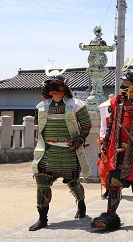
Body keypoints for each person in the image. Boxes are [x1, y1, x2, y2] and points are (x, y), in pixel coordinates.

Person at [91, 69, 133, 230]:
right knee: (114, 183)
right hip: (118, 153)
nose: (123, 86)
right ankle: (109, 216)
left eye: (126, 83)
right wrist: (105, 144)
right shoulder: (116, 103)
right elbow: (111, 126)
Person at [30, 73, 92, 231]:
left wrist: (79, 140)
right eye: (51, 87)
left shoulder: (76, 105)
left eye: (57, 87)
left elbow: (86, 125)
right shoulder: (42, 106)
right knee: (41, 182)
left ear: (65, 89)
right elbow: (38, 125)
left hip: (68, 151)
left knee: (73, 182)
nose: (54, 91)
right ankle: (42, 218)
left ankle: (81, 203)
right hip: (48, 150)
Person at [98, 94, 114, 199]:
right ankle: (107, 189)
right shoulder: (106, 120)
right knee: (104, 168)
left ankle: (114, 190)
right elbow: (103, 131)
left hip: (115, 146)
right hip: (106, 145)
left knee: (114, 168)